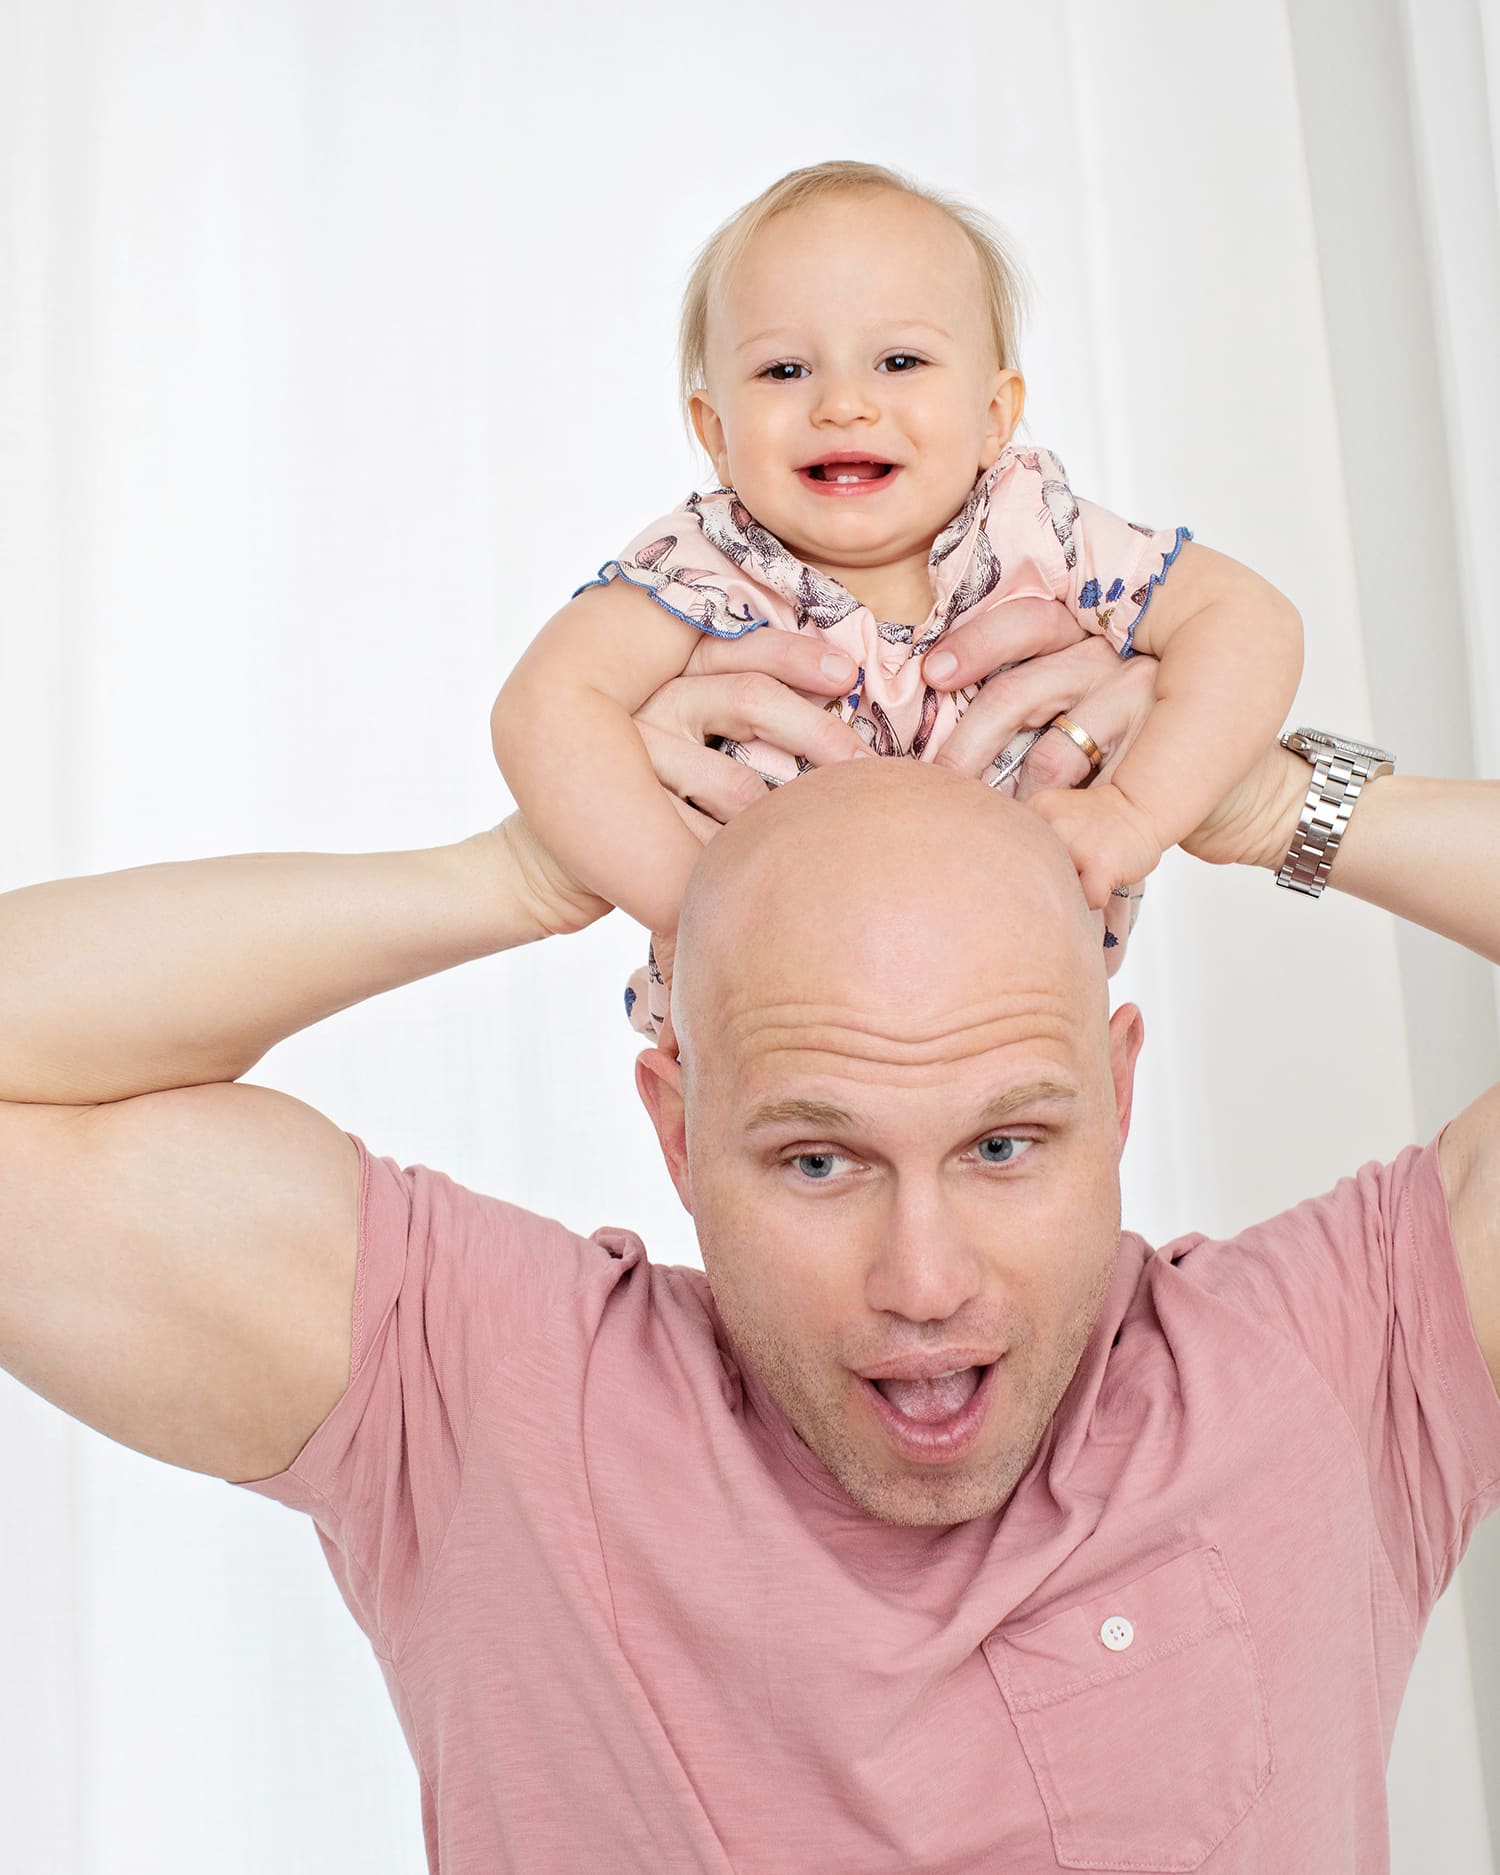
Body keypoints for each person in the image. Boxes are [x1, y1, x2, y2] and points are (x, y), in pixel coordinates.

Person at [0, 629, 1496, 1873]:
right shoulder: (485, 1401)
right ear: (675, 1128)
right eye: (819, 1158)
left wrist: (1274, 801)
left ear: (1116, 1094)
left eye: (1003, 1145)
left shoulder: (1328, 1371)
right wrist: (520, 873)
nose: (926, 1279)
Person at [490, 160, 1302, 1035]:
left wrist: (1133, 813)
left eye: (900, 360)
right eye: (785, 370)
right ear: (716, 435)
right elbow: (543, 711)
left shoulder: (1038, 533)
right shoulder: (706, 565)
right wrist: (693, 901)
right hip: (770, 1009)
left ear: (996, 416)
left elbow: (1249, 624)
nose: (844, 403)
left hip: (1010, 1004)